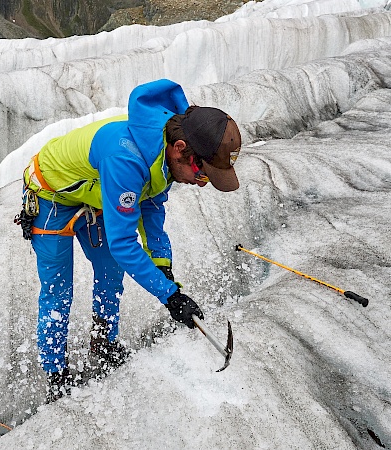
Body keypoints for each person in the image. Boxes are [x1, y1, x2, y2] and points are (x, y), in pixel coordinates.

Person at [16, 78, 242, 403]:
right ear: (181, 150)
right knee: (58, 290)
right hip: (51, 195)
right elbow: (124, 243)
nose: (203, 183)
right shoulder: (127, 159)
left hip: (95, 195)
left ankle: (104, 343)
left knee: (109, 273)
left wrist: (163, 269)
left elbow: (151, 207)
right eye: (203, 173)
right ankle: (56, 374)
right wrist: (169, 295)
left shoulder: (164, 154)